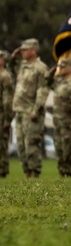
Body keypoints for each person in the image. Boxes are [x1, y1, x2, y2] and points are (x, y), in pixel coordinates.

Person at [10, 39, 49, 178]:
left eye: (25, 50)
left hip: (31, 111)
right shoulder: (23, 66)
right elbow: (11, 67)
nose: (23, 52)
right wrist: (14, 56)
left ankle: (35, 174)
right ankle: (27, 173)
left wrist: (36, 109)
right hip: (19, 110)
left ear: (34, 50)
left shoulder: (40, 68)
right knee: (21, 146)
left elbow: (43, 90)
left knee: (31, 145)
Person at [50, 58, 71, 177]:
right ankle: (62, 173)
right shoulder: (60, 83)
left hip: (68, 123)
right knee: (59, 150)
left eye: (63, 66)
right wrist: (52, 71)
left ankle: (68, 174)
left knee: (68, 150)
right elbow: (47, 82)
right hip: (58, 123)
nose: (61, 69)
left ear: (70, 68)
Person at [0, 50, 15, 178]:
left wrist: (7, 119)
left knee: (2, 145)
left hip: (2, 115)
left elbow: (8, 100)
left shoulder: (5, 76)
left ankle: (2, 172)